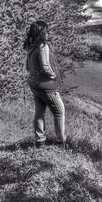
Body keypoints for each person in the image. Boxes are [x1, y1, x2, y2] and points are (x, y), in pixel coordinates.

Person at [23, 20, 66, 148]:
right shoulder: (42, 46)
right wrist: (53, 76)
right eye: (46, 30)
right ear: (42, 32)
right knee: (59, 111)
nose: (48, 33)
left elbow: (28, 67)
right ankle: (61, 142)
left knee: (40, 112)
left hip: (35, 85)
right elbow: (46, 66)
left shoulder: (31, 47)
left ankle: (40, 141)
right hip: (46, 85)